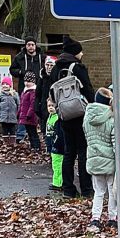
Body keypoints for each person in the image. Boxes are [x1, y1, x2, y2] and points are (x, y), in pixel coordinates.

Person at [51, 36, 95, 199]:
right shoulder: (77, 67)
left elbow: (52, 91)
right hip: (80, 114)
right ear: (75, 52)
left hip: (64, 116)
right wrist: (93, 104)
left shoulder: (56, 68)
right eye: (80, 51)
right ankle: (86, 188)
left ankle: (68, 188)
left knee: (68, 153)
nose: (82, 54)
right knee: (83, 151)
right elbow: (88, 90)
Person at [83, 88, 117, 232]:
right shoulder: (112, 118)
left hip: (94, 158)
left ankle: (95, 218)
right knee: (112, 191)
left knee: (98, 191)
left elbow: (86, 136)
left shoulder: (87, 117)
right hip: (110, 160)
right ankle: (112, 219)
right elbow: (116, 142)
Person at [34, 55, 57, 146]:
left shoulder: (57, 77)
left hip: (55, 107)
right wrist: (37, 107)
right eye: (47, 65)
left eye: (51, 65)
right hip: (44, 108)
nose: (49, 68)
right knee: (46, 131)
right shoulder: (42, 78)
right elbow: (37, 94)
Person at [18, 71, 42, 151]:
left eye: (29, 81)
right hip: (25, 116)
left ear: (33, 82)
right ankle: (33, 146)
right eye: (25, 81)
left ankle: (36, 146)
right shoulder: (25, 91)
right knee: (29, 132)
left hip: (30, 117)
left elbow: (32, 104)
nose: (26, 83)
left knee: (33, 132)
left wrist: (29, 114)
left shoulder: (33, 92)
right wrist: (19, 113)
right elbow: (21, 104)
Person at [0, 77, 20, 146]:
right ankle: (6, 143)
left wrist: (19, 115)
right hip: (3, 117)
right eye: (3, 84)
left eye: (6, 84)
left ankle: (12, 143)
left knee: (12, 130)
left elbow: (19, 105)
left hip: (13, 117)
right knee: (5, 130)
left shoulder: (14, 94)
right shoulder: (0, 95)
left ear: (10, 86)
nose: (5, 85)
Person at [45, 98, 64, 192]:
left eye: (53, 106)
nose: (51, 108)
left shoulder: (57, 118)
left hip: (56, 145)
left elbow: (58, 134)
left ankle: (58, 183)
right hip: (51, 144)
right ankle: (57, 182)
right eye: (49, 106)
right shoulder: (50, 117)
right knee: (55, 164)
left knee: (58, 165)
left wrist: (54, 145)